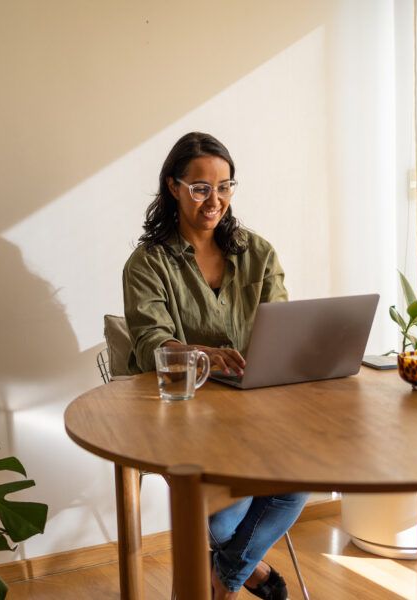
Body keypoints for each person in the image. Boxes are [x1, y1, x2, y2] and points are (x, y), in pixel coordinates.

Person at [122, 131, 309, 600]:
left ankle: (220, 580)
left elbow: (282, 327)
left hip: (257, 411)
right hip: (184, 414)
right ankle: (254, 575)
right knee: (223, 514)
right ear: (174, 187)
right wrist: (201, 354)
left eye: (225, 186)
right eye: (202, 187)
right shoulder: (148, 263)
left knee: (299, 480)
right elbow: (149, 344)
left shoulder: (258, 253)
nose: (215, 200)